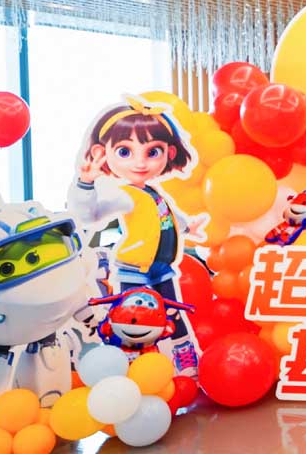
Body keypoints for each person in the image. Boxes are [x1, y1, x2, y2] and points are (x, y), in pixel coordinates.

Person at [67, 96, 204, 375]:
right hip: (133, 269)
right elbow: (90, 214)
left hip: (161, 268)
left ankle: (183, 353)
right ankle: (128, 360)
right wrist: (86, 183)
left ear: (169, 152)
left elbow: (166, 219)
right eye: (125, 151)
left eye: (153, 152)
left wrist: (187, 227)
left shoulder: (154, 193)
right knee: (133, 317)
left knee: (172, 312)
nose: (140, 162)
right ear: (103, 152)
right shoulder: (126, 195)